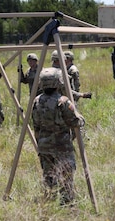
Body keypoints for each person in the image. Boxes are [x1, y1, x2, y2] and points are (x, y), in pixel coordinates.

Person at [32, 67, 85, 206]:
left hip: (44, 145)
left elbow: (35, 123)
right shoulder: (63, 101)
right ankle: (66, 203)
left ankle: (49, 201)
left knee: (49, 175)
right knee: (66, 174)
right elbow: (75, 122)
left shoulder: (37, 101)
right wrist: (81, 118)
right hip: (61, 145)